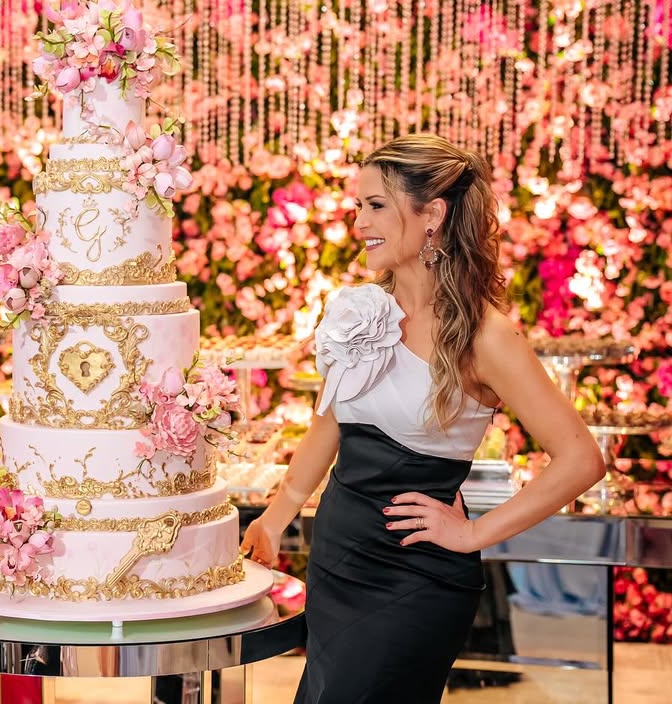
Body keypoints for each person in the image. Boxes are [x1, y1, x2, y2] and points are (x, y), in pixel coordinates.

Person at [241, 134, 605, 703]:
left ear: (432, 214)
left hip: (414, 578)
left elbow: (581, 459)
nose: (359, 221)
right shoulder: (359, 311)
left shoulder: (486, 336)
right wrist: (275, 516)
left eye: (375, 205)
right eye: (358, 205)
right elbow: (329, 424)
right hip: (338, 559)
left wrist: (473, 532)